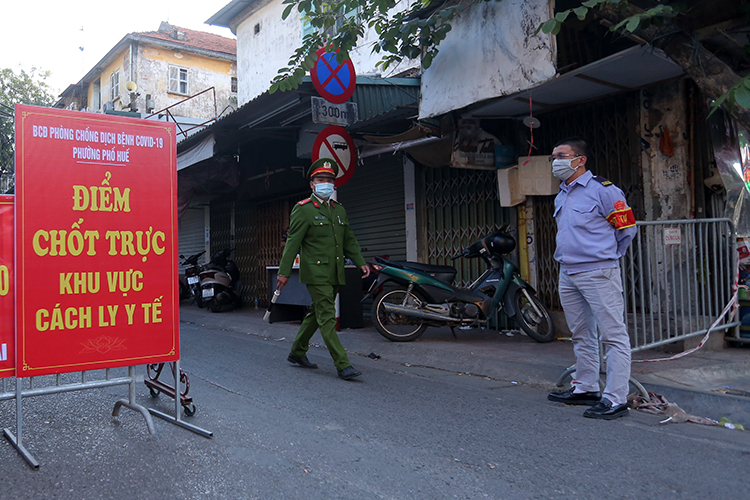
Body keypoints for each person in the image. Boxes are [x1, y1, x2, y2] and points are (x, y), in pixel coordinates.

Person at [546, 137, 637, 420]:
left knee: (613, 336)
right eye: (553, 157)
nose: (555, 161)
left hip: (598, 272)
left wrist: (607, 257)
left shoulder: (604, 191)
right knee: (581, 334)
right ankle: (586, 387)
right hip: (568, 272)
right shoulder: (562, 194)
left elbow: (627, 229)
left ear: (580, 159)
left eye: (561, 155)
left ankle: (615, 398)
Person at [277, 158, 370, 380]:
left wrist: (360, 261)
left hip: (335, 271)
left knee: (316, 313)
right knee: (327, 316)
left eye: (329, 180)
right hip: (316, 272)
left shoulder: (339, 210)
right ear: (312, 184)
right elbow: (293, 243)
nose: (325, 183)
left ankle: (297, 352)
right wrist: (283, 272)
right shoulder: (304, 210)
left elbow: (348, 240)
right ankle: (342, 364)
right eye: (320, 180)